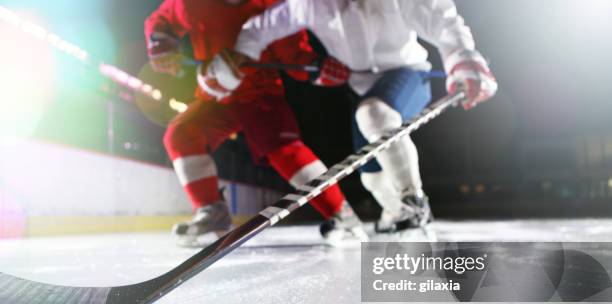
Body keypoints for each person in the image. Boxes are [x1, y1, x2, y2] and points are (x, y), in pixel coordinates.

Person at [201, 0, 498, 233]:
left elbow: (441, 19)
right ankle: (396, 209)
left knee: (374, 114)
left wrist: (462, 56)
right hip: (361, 86)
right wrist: (239, 56)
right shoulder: (309, 3)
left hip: (407, 73)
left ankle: (414, 202)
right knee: (372, 177)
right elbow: (260, 28)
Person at [145, 0, 367, 245]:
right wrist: (160, 42)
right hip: (215, 96)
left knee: (286, 152)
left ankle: (342, 213)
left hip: (261, 95)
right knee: (181, 134)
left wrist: (315, 67)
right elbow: (162, 21)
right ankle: (212, 211)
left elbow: (294, 54)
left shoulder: (271, 4)